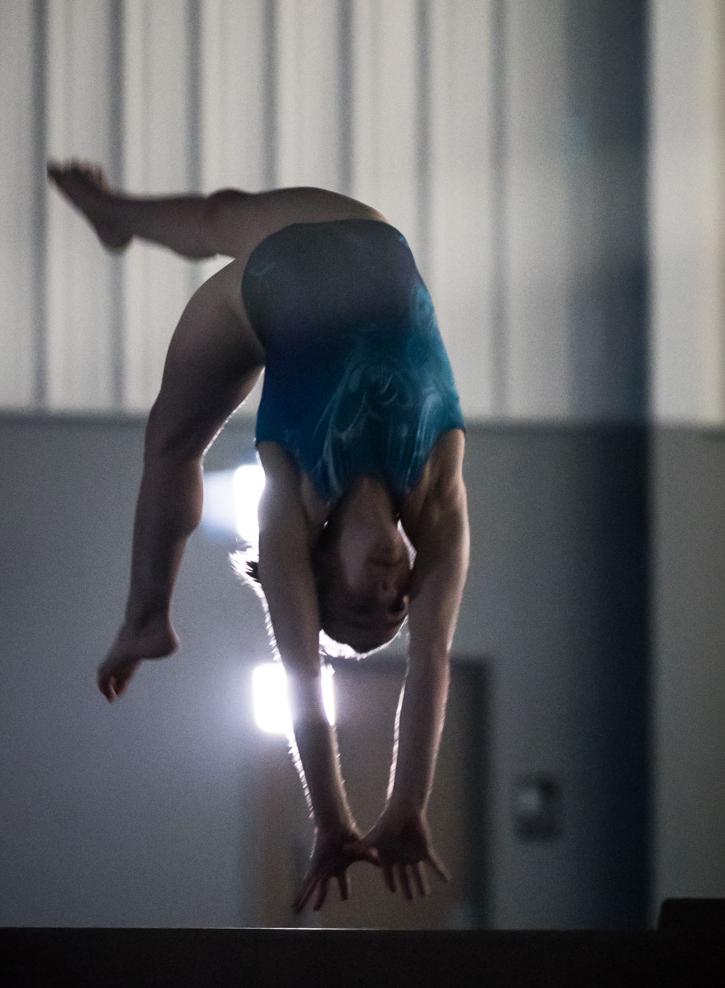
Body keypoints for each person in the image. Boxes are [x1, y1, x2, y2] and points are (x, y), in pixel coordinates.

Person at [47, 162, 470, 912]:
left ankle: (146, 617)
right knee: (219, 211)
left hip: (261, 295)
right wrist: (408, 802)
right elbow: (431, 658)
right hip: (362, 232)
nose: (392, 588)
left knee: (171, 442)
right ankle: (116, 214)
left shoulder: (293, 503)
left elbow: (302, 676)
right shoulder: (436, 489)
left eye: (364, 604)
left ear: (318, 569)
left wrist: (332, 819)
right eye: (399, 603)